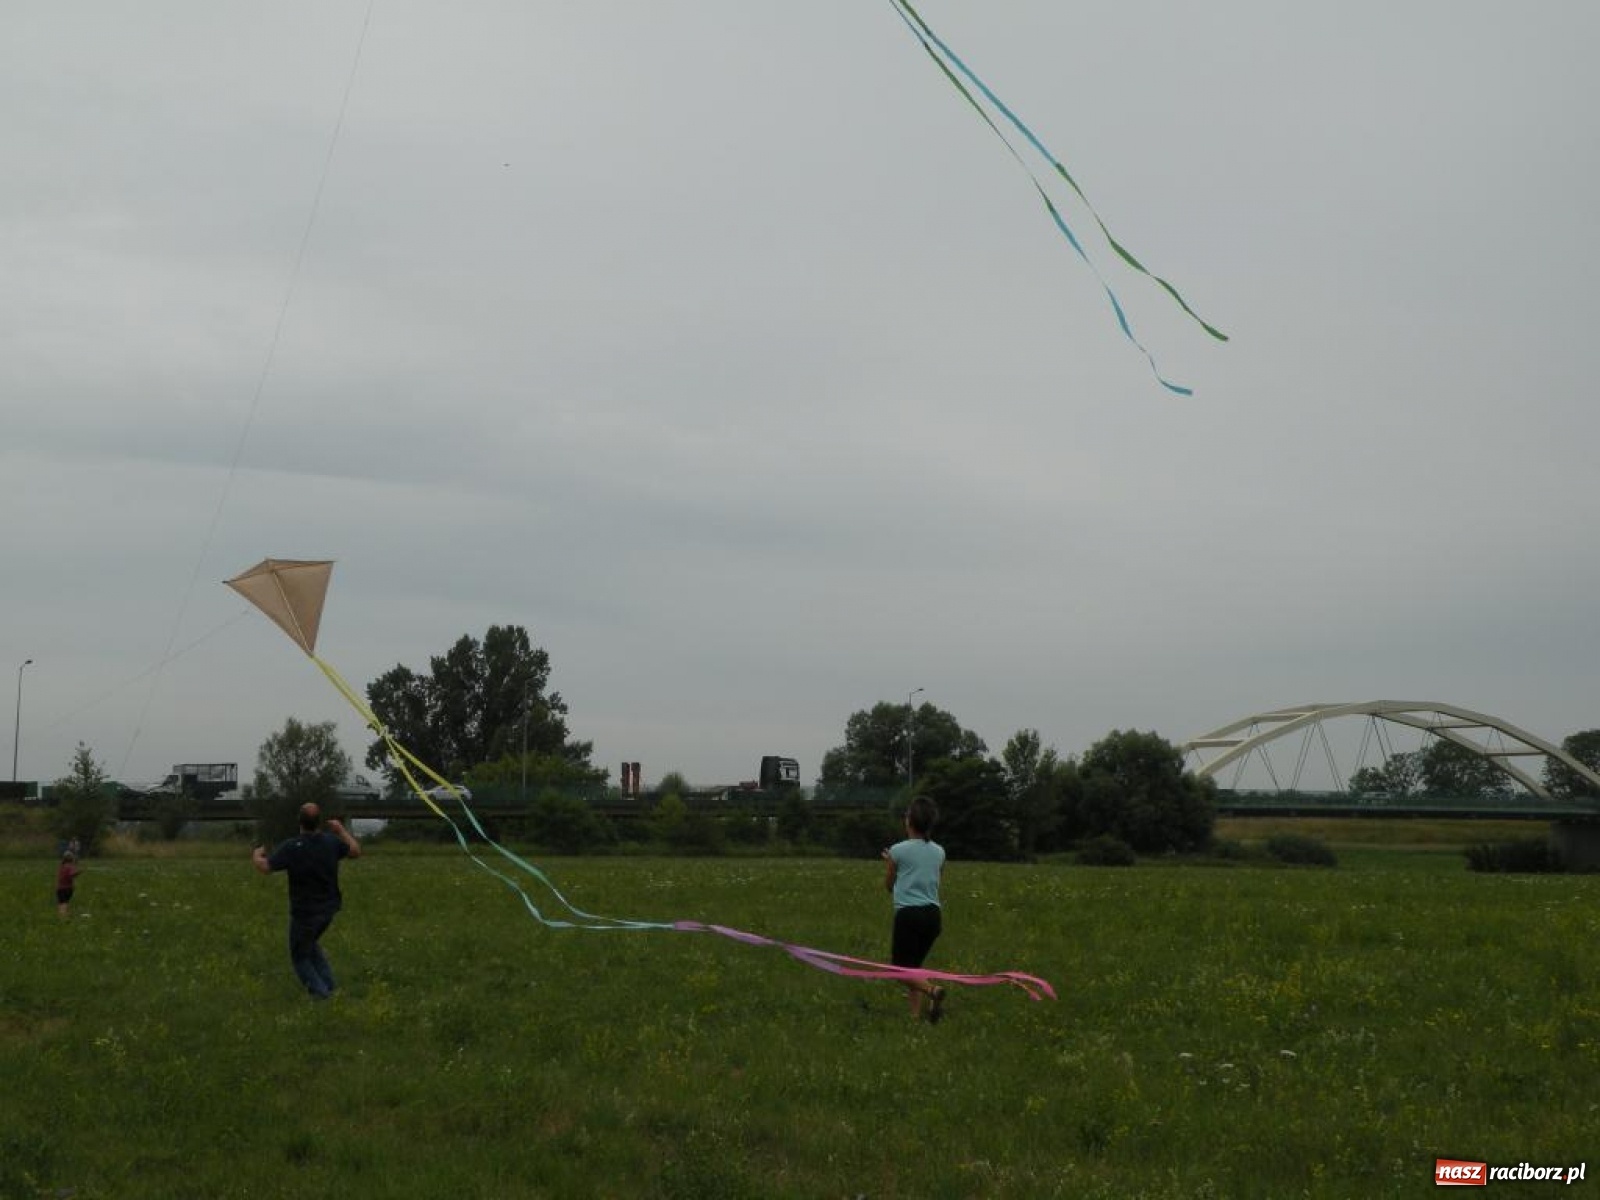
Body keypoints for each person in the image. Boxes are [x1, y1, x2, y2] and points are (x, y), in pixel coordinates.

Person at [252, 802, 362, 1000]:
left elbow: (265, 867)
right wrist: (340, 830)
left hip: (305, 913)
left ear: (299, 821)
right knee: (310, 946)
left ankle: (321, 995)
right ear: (319, 821)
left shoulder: (292, 847)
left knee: (299, 956)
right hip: (328, 909)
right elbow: (355, 850)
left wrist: (256, 855)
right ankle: (329, 987)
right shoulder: (331, 842)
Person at [881, 795, 947, 1023]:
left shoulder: (897, 851)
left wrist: (890, 863)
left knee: (899, 971)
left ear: (909, 821)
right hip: (933, 916)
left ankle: (933, 991)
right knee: (914, 968)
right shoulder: (939, 851)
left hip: (909, 915)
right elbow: (936, 879)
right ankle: (915, 1016)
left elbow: (889, 886)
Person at [56, 850, 81, 919]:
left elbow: (68, 874)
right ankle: (65, 916)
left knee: (61, 903)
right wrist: (78, 872)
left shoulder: (62, 866)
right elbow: (71, 874)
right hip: (68, 888)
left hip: (60, 888)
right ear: (72, 859)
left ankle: (62, 916)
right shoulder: (70, 866)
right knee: (65, 902)